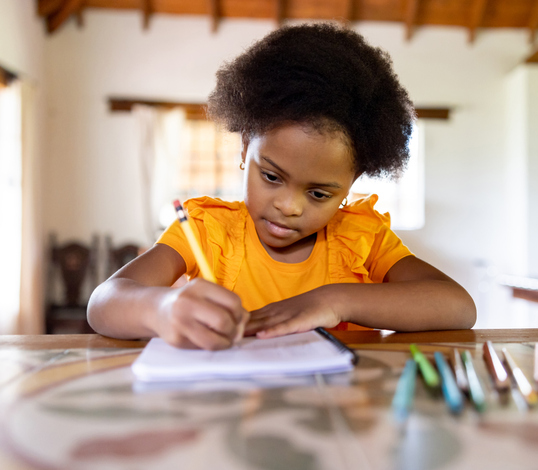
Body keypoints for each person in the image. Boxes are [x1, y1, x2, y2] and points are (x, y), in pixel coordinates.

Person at [88, 23, 476, 350]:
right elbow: (104, 304)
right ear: (244, 149)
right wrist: (163, 308)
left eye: (319, 194)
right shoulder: (209, 232)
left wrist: (335, 300)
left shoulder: (361, 239)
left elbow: (459, 307)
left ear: (351, 183)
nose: (289, 206)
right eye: (271, 177)